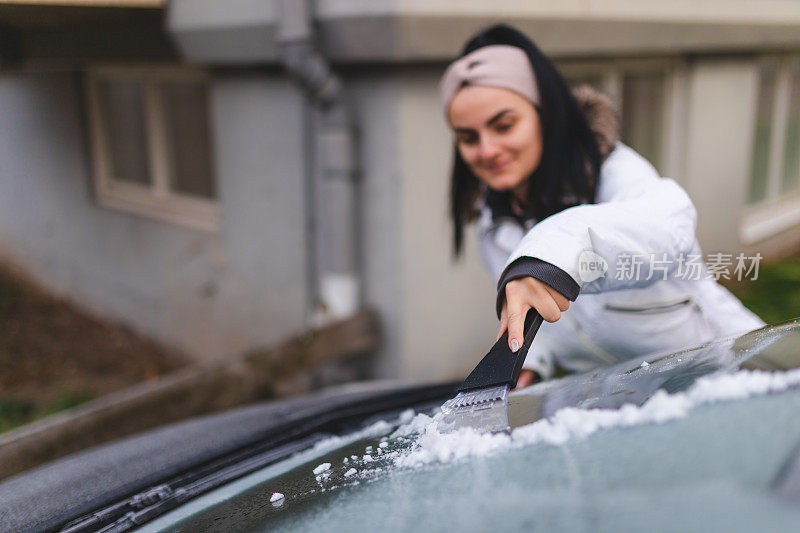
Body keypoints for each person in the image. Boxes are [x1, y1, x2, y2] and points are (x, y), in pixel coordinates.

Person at [440, 24, 764, 388]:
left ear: (544, 115)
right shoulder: (494, 222)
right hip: (625, 403)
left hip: (732, 374)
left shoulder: (614, 171)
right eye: (468, 138)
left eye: (504, 125)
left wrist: (551, 252)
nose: (486, 150)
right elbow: (544, 308)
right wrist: (532, 359)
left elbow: (668, 223)